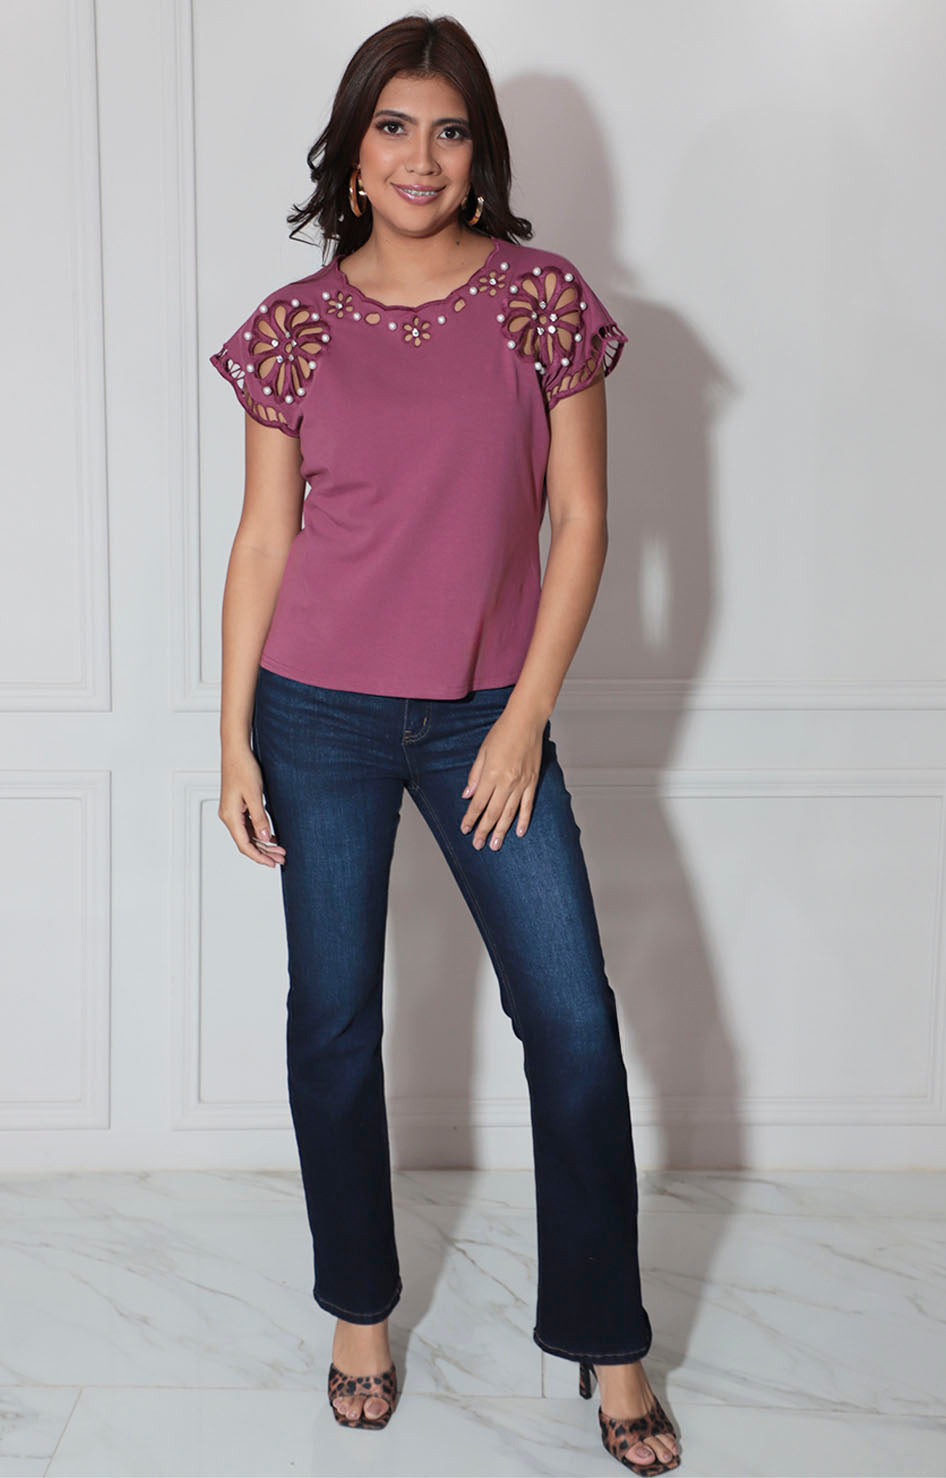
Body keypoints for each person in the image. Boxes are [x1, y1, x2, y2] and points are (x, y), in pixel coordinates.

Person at [210, 13, 681, 1475]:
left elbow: (583, 522)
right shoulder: (293, 326)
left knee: (573, 1020)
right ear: (353, 152)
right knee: (334, 1019)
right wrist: (231, 737)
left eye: (450, 128)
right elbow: (265, 538)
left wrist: (524, 716)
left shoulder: (543, 301)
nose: (422, 156)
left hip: (488, 712)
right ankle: (358, 1309)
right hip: (316, 712)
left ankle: (608, 1337)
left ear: (481, 153)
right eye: (395, 126)